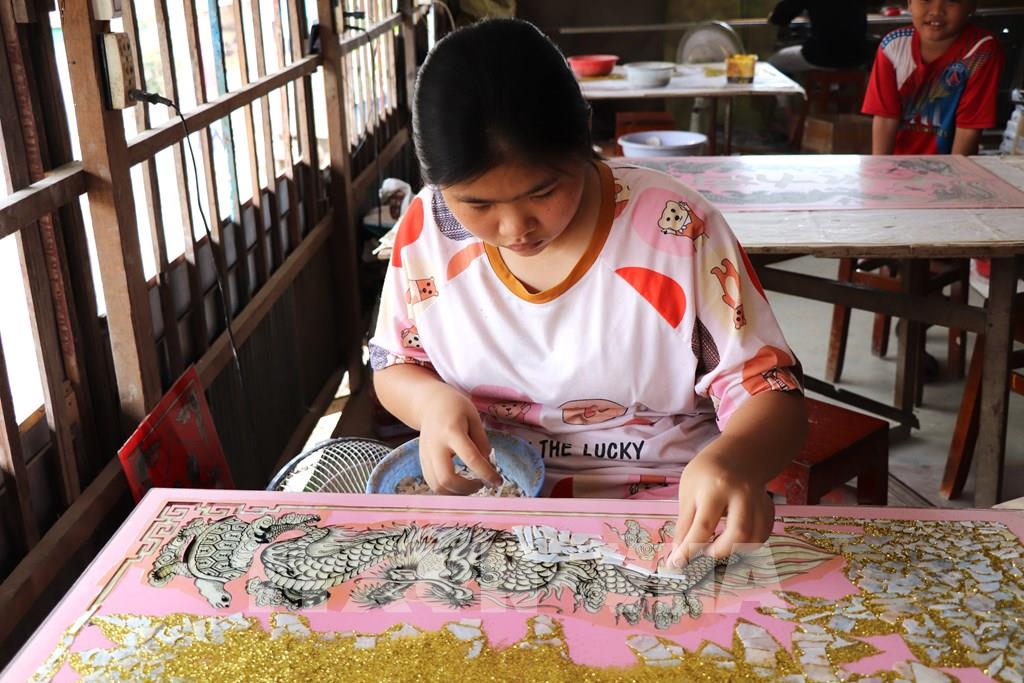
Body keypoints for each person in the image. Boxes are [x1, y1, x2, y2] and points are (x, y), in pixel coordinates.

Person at [369, 18, 807, 569]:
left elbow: (769, 390)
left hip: (670, 506)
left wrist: (736, 459)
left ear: (584, 140)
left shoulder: (676, 229)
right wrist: (432, 402)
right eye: (477, 204)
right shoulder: (428, 230)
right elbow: (395, 363)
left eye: (542, 192)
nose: (514, 228)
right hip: (493, 501)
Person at [862, 0, 1005, 155]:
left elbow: (968, 129)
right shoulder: (893, 46)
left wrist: (956, 170)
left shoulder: (981, 51)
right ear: (910, 3)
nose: (936, 11)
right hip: (897, 164)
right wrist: (881, 167)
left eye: (951, 1)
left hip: (952, 164)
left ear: (972, 6)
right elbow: (885, 119)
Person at [768, 1, 869, 74]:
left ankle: (790, 97)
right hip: (857, 57)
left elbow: (779, 18)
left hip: (822, 56)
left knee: (772, 63)